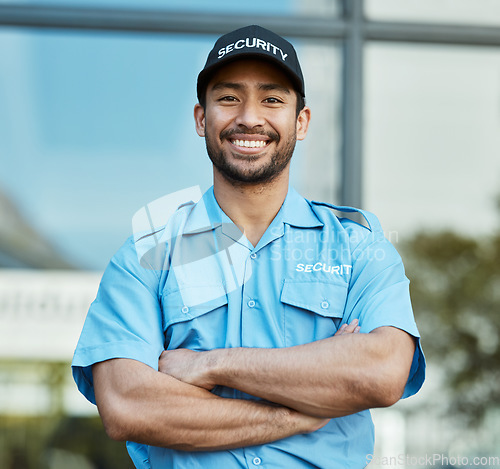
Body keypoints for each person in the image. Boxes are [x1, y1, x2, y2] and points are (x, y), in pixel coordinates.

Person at [72, 25, 425, 468]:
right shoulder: (146, 255)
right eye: (229, 98)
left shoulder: (358, 247)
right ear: (202, 119)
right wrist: (301, 412)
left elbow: (381, 373)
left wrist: (211, 366)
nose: (250, 118)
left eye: (272, 99)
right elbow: (128, 405)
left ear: (302, 121)